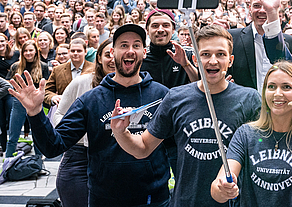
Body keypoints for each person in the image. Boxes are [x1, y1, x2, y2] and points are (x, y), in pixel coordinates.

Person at [7, 24, 171, 206]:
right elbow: (53, 146)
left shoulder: (162, 96)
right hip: (104, 198)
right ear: (113, 51)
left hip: (154, 198)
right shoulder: (91, 100)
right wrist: (35, 113)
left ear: (144, 52)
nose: (130, 51)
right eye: (123, 45)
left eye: (136, 45)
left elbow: (175, 149)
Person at [111, 25, 261, 206]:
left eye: (220, 54)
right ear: (195, 59)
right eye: (205, 54)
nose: (213, 61)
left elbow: (262, 147)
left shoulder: (250, 98)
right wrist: (121, 132)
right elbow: (143, 147)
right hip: (186, 201)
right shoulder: (176, 97)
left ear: (230, 60)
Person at [211, 61, 292, 206]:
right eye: (271, 87)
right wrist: (223, 188)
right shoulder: (246, 134)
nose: (278, 93)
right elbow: (217, 191)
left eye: (286, 87)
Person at [52, 39, 114, 207]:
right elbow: (60, 114)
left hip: (113, 157)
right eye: (108, 54)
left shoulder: (130, 86)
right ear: (99, 58)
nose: (113, 59)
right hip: (79, 156)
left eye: (117, 54)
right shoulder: (82, 82)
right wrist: (76, 132)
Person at [227, 0, 292, 91]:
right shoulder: (232, 38)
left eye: (266, 6)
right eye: (257, 6)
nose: (262, 10)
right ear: (250, 8)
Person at [5, 40, 51, 157]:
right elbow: (7, 81)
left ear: (36, 51)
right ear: (22, 52)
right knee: (13, 136)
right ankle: (8, 165)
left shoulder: (43, 66)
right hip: (19, 102)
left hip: (36, 104)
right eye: (25, 51)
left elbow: (47, 85)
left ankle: (38, 163)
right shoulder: (16, 66)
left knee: (38, 136)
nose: (28, 53)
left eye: (31, 50)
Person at [43, 38, 95, 107]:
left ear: (85, 52)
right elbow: (47, 91)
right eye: (73, 51)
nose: (75, 53)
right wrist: (53, 97)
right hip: (65, 111)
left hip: (89, 109)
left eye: (79, 51)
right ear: (69, 51)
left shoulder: (94, 69)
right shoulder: (58, 70)